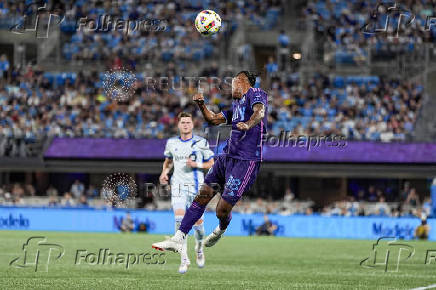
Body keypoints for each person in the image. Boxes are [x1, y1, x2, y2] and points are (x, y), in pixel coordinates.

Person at [152, 71, 267, 260]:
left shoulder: (256, 93)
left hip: (246, 161)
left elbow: (259, 112)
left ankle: (221, 229)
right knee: (202, 196)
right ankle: (178, 238)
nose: (231, 87)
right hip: (226, 157)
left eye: (233, 82)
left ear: (242, 82)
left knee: (221, 210)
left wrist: (248, 124)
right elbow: (213, 119)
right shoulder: (236, 106)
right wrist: (201, 104)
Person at [158, 112, 215, 273]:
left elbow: (211, 163)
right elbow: (168, 161)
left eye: (188, 122)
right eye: (182, 122)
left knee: (199, 227)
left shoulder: (201, 142)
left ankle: (199, 248)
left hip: (197, 188)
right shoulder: (171, 143)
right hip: (178, 186)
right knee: (178, 220)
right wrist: (164, 173)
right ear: (178, 125)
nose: (185, 125)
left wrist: (196, 164)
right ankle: (184, 259)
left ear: (192, 125)